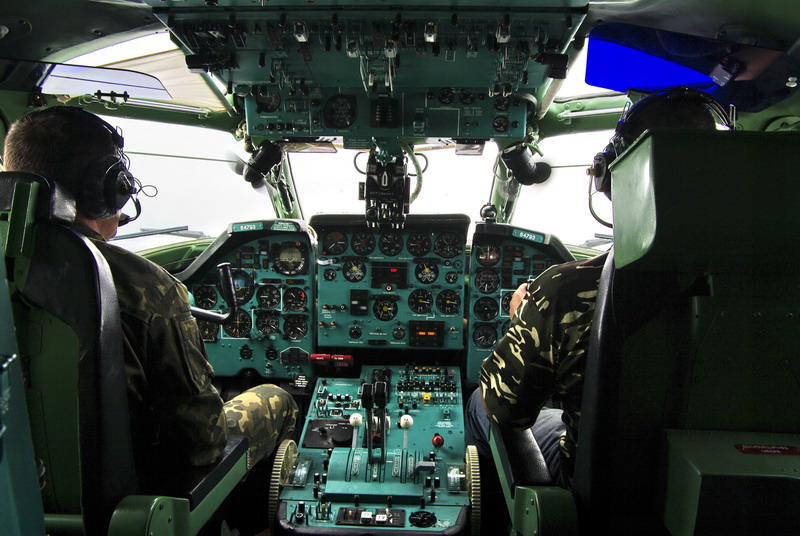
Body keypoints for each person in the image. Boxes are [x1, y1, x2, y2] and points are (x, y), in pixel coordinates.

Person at [2, 107, 298, 506]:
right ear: (108, 188)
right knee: (277, 399)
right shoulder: (146, 285)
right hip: (130, 499)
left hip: (23, 492)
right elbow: (203, 440)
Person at [465, 86, 728, 487]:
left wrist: (522, 318)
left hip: (597, 493)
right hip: (736, 486)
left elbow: (505, 411)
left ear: (609, 174)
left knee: (477, 403)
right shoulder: (769, 278)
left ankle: (499, 512)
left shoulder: (566, 289)